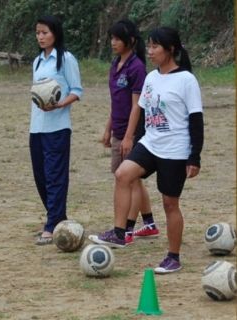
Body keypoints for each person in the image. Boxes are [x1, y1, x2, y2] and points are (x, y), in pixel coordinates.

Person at [90, 27, 204, 274]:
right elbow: (141, 113)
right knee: (123, 174)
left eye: (155, 47)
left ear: (170, 49)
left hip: (175, 150)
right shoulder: (151, 77)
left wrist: (194, 157)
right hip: (150, 144)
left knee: (169, 204)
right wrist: (133, 139)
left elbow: (196, 121)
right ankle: (120, 233)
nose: (150, 51)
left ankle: (173, 257)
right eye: (149, 46)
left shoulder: (186, 80)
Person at [100, 19, 158, 245]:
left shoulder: (137, 68)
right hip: (119, 129)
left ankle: (126, 230)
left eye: (117, 39)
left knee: (128, 179)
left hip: (132, 132)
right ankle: (149, 224)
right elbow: (116, 103)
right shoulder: (115, 65)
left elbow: (137, 105)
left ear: (130, 41)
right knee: (131, 180)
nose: (113, 43)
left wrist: (129, 137)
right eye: (111, 38)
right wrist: (108, 129)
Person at [30, 15, 83, 245]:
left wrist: (60, 104)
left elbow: (77, 90)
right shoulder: (37, 61)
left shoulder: (66, 59)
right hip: (37, 127)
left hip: (58, 128)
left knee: (55, 177)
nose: (40, 37)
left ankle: (51, 225)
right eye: (38, 33)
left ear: (55, 33)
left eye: (45, 33)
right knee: (41, 176)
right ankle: (58, 219)